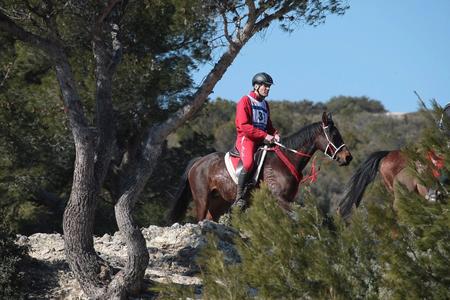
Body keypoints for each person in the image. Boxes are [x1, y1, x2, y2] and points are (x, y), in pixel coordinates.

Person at [232, 72, 280, 210]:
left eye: (269, 87)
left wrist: (275, 134)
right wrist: (265, 136)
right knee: (248, 163)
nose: (268, 89)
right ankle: (239, 197)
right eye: (265, 86)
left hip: (261, 140)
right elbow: (244, 126)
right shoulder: (245, 101)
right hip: (247, 139)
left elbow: (268, 125)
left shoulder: (265, 104)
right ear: (256, 86)